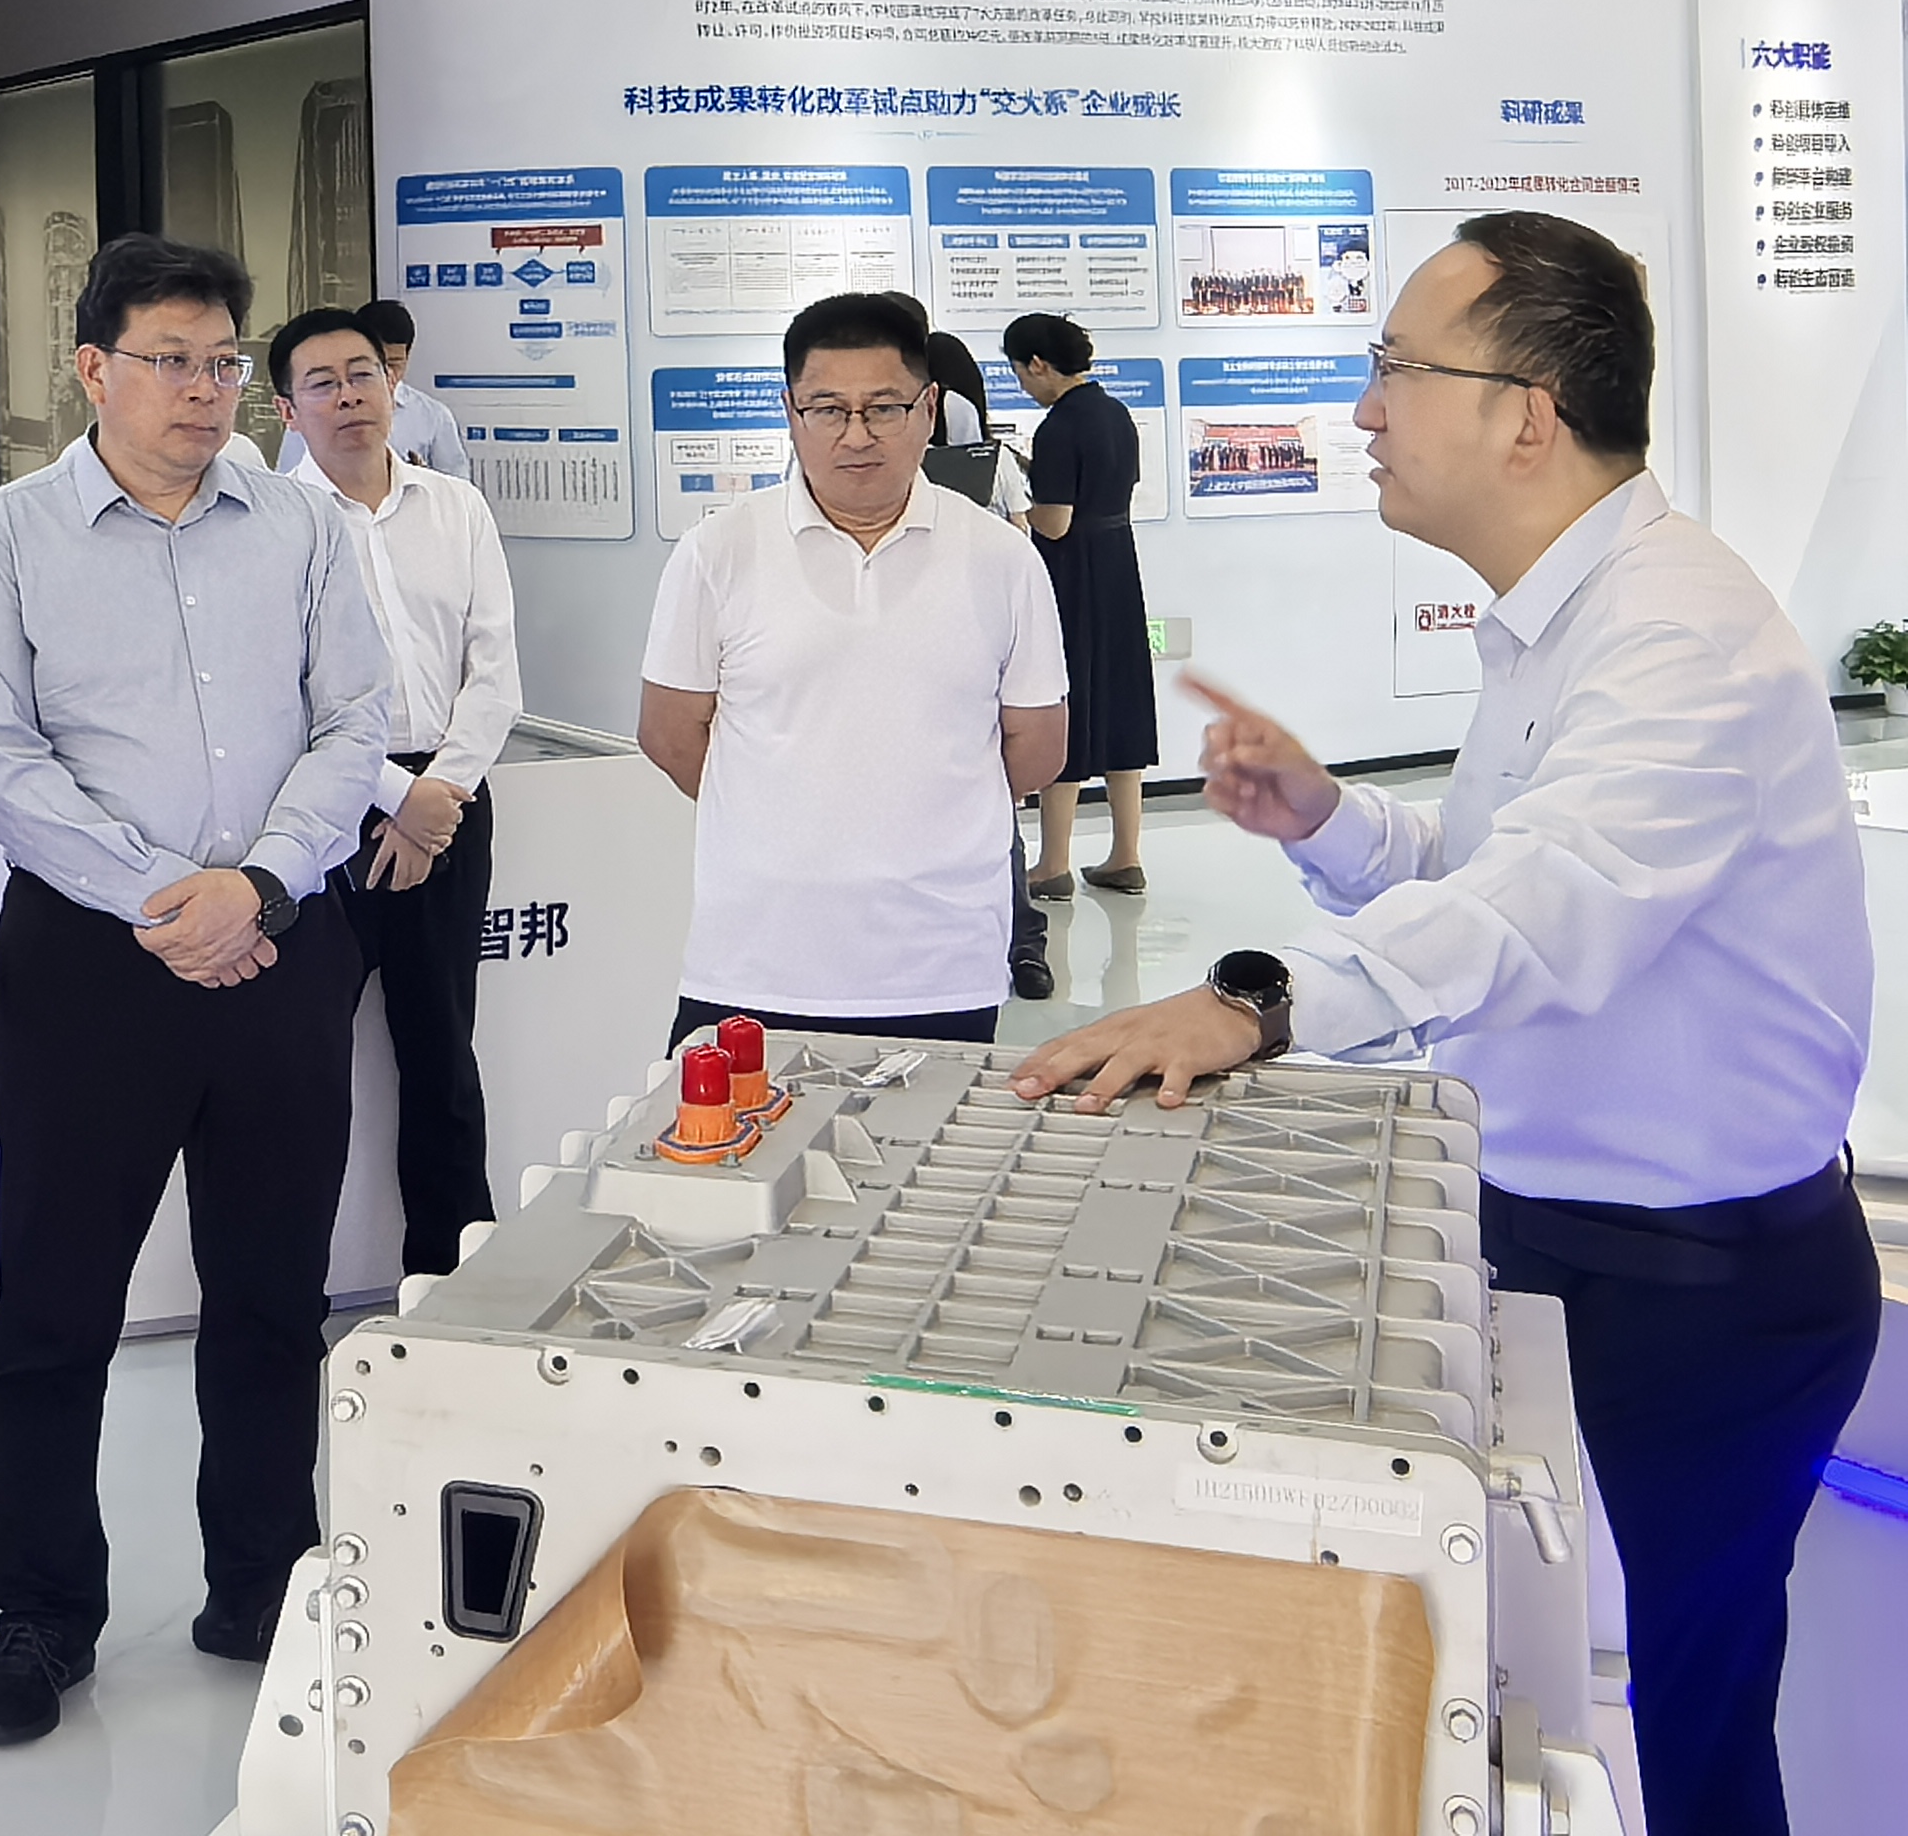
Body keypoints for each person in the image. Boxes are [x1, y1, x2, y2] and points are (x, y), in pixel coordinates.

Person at [1016, 215, 1874, 1836]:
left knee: (1675, 1733)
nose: (1364, 410)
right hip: (1561, 1241)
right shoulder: (1571, 616)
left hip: (1695, 1291)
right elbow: (1493, 874)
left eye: (1396, 368)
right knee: (1532, 1688)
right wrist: (1331, 821)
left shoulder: (1678, 633)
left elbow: (1546, 906)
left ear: (1527, 415)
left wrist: (1257, 1000)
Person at [0, 233, 392, 1750]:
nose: (206, 392)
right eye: (171, 363)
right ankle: (41, 1612)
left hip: (279, 946)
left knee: (271, 1294)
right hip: (89, 967)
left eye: (221, 365)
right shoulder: (5, 536)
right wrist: (164, 898)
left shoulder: (302, 524)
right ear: (93, 369)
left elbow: (356, 720)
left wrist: (254, 885)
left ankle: (259, 1582)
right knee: (55, 1304)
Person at [635, 291, 1070, 1051]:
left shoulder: (1002, 557)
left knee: (935, 1133)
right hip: (755, 956)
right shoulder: (719, 551)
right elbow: (670, 734)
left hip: (940, 960)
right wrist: (786, 810)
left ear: (929, 410)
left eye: (884, 409)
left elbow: (1037, 747)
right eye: (828, 410)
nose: (856, 435)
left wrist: (916, 813)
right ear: (791, 412)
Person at [272, 304, 527, 1279]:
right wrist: (391, 796)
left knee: (441, 1053)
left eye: (363, 375)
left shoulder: (456, 509)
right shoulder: (269, 528)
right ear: (287, 410)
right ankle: (286, 1293)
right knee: (300, 1068)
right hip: (322, 809)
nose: (349, 397)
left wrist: (438, 796)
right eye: (322, 383)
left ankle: (450, 1279)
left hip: (450, 800)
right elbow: (278, 695)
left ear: (393, 386)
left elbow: (493, 671)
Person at [1000, 314, 1153, 898]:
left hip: (1073, 574)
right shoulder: (1116, 413)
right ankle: (1126, 856)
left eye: (1021, 373)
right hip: (1119, 563)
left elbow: (1056, 522)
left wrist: (1018, 506)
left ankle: (1053, 864)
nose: (1023, 385)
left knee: (1073, 702)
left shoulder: (1058, 426)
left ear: (1039, 364)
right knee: (1121, 702)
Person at [281, 296, 461, 476]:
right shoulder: (309, 413)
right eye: (371, 367)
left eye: (395, 363)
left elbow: (455, 482)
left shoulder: (433, 416)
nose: (388, 374)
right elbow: (287, 480)